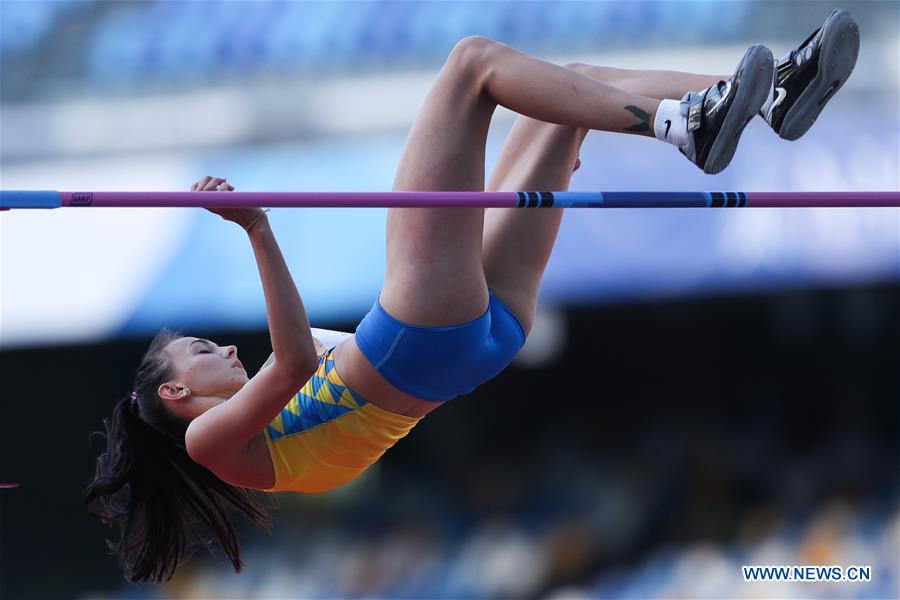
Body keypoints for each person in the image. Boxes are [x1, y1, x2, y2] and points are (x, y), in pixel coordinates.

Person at [83, 9, 859, 583]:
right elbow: (289, 361)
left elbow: (296, 364)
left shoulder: (266, 423)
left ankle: (766, 99)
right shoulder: (206, 443)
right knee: (469, 64)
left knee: (573, 86)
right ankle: (681, 124)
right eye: (201, 350)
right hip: (422, 341)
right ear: (177, 390)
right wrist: (255, 228)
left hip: (472, 338)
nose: (221, 347)